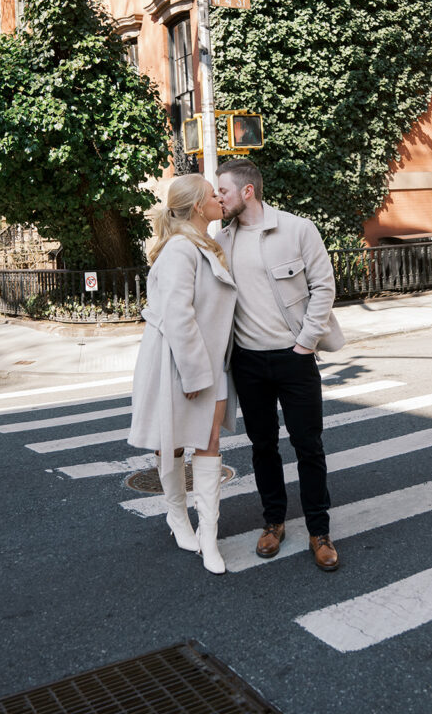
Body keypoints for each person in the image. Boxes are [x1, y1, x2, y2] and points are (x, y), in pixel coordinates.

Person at [216, 158, 345, 571]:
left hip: (294, 358)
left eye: (223, 191)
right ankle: (273, 523)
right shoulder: (222, 239)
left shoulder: (297, 229)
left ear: (247, 192)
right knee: (263, 447)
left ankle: (319, 531)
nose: (218, 198)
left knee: (309, 446)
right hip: (248, 361)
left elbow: (324, 286)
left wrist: (305, 344)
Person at [128, 174, 237, 574]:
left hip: (211, 362)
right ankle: (178, 517)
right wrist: (194, 375)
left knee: (209, 442)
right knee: (172, 442)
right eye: (213, 195)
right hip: (179, 362)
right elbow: (178, 316)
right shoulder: (179, 249)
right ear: (196, 206)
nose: (219, 200)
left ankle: (210, 537)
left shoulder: (204, 243)